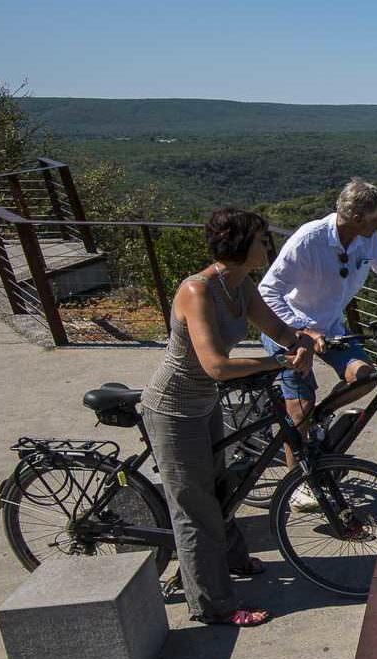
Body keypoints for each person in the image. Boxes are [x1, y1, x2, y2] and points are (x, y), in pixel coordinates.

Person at [140, 209, 318, 627]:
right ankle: (213, 605)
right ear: (239, 246)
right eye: (259, 239)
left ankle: (234, 561)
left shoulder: (241, 286)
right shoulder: (197, 291)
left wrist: (301, 344)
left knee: (220, 490)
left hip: (202, 405)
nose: (267, 246)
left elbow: (277, 328)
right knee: (195, 508)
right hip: (172, 408)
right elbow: (216, 366)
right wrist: (275, 365)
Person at [257, 178, 377, 441]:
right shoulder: (309, 240)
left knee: (366, 377)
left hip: (331, 328)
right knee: (298, 417)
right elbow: (267, 291)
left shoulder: (367, 240)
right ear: (358, 218)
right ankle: (301, 479)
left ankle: (320, 416)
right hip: (288, 329)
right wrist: (303, 329)